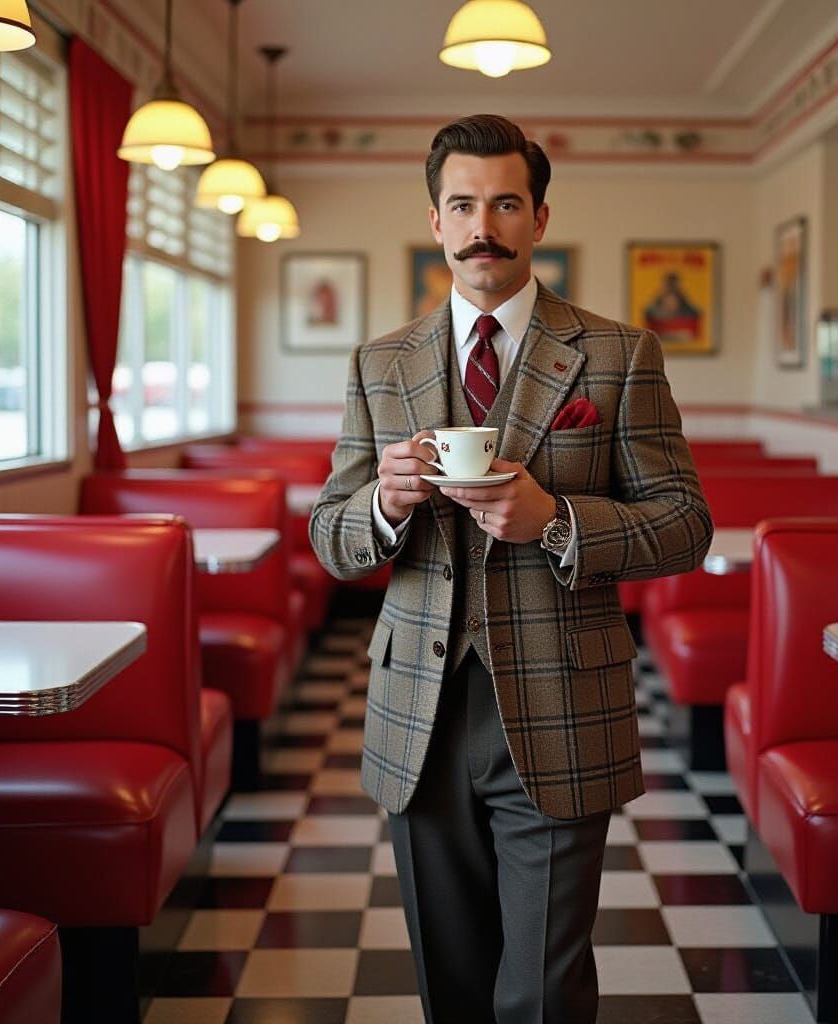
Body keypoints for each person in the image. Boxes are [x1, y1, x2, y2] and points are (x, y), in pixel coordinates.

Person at [310, 113, 712, 1024]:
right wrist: (384, 505)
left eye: (504, 204)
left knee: (541, 994)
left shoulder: (619, 354)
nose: (481, 226)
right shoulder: (380, 364)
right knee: (450, 989)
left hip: (562, 703)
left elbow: (686, 526)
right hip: (417, 713)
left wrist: (557, 520)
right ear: (435, 220)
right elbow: (330, 535)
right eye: (462, 205)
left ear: (538, 217)